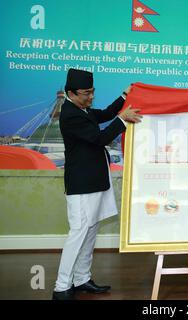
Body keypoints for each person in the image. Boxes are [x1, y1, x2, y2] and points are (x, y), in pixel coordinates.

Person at [52, 69, 142, 300]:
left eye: (92, 92)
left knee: (90, 231)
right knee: (79, 232)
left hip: (95, 182)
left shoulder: (82, 109)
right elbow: (99, 138)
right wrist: (123, 119)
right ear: (71, 93)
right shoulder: (70, 114)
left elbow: (103, 114)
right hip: (82, 185)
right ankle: (62, 286)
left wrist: (123, 96)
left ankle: (81, 278)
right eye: (86, 93)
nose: (91, 97)